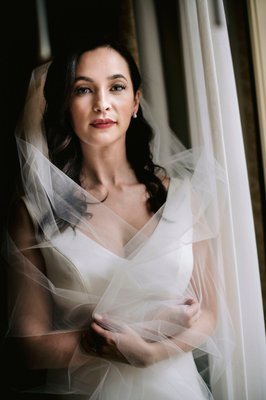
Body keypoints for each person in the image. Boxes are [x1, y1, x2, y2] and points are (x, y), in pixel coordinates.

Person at [4, 37, 233, 399]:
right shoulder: (34, 211)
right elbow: (30, 345)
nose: (102, 104)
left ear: (136, 101)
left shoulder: (183, 197)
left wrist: (152, 352)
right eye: (83, 89)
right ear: (65, 102)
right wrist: (147, 329)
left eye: (116, 87)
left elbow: (208, 313)